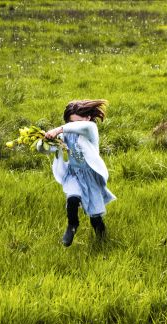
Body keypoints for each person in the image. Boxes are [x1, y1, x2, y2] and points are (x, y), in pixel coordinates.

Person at [44, 99, 116, 247]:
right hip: (74, 173)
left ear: (88, 117)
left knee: (95, 215)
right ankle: (72, 225)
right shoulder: (67, 133)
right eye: (71, 122)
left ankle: (102, 239)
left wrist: (59, 129)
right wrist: (43, 141)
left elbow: (82, 126)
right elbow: (51, 147)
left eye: (77, 122)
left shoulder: (90, 130)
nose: (73, 126)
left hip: (90, 176)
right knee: (72, 197)